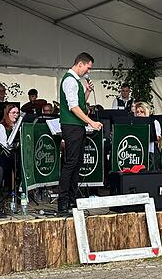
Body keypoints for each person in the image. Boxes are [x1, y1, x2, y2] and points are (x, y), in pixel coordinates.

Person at [57, 52, 103, 214]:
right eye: (87, 68)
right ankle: (63, 201)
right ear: (80, 64)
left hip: (77, 126)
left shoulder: (76, 81)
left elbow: (79, 104)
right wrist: (91, 122)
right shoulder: (70, 81)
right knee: (70, 163)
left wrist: (88, 92)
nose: (88, 72)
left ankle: (71, 198)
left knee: (76, 163)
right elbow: (73, 107)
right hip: (72, 126)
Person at [133, 102, 161, 170]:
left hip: (150, 151)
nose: (139, 114)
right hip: (136, 151)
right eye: (137, 112)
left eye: (142, 112)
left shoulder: (154, 122)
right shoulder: (133, 122)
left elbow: (158, 138)